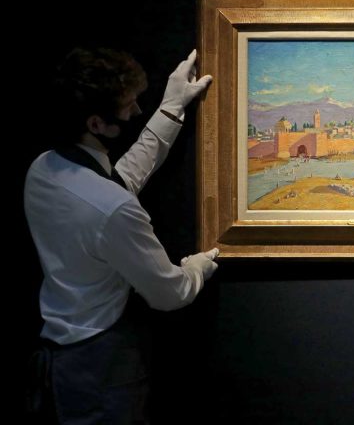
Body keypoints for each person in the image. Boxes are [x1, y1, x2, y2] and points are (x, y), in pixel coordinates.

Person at [24, 48, 219, 424]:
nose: (136, 110)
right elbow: (169, 293)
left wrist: (171, 107)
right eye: (129, 105)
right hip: (104, 368)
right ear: (96, 123)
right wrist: (197, 268)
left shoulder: (42, 169)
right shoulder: (113, 209)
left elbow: (119, 180)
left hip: (59, 360)